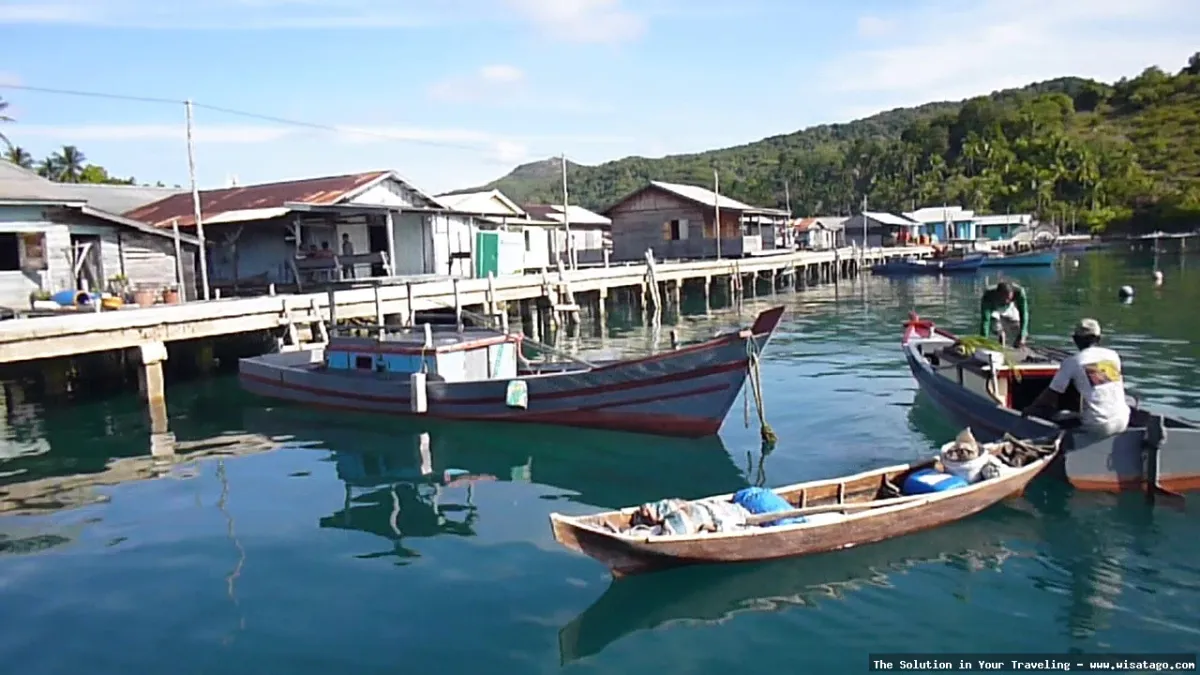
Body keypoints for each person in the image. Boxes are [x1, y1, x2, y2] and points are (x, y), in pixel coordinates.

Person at [1023, 318, 1130, 441]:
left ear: (1075, 340)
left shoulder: (1073, 362)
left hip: (1098, 426)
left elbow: (1051, 395)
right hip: (1123, 420)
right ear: (1099, 338)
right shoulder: (1113, 356)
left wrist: (1031, 409)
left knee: (1057, 416)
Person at [979, 280, 1028, 347]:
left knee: (1019, 329)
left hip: (1010, 307)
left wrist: (1022, 334)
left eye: (1008, 298)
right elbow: (985, 320)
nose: (1006, 301)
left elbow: (1024, 314)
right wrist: (983, 340)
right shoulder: (988, 296)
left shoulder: (1020, 292)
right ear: (998, 294)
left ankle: (1018, 345)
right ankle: (1001, 338)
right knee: (997, 328)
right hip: (994, 309)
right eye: (1004, 298)